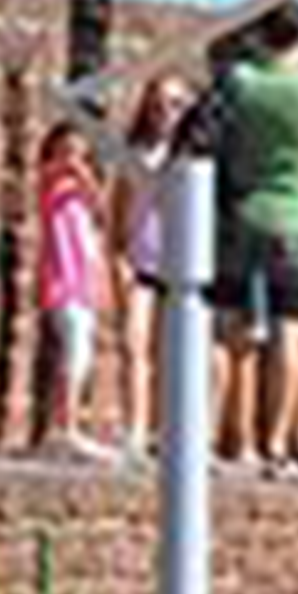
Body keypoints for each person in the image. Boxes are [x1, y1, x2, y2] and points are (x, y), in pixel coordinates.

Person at [216, 0, 298, 472]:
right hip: (295, 221)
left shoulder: (242, 81)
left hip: (244, 213)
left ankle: (227, 435)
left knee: (233, 332)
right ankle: (276, 444)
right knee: (291, 334)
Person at [107, 74, 189, 456]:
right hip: (141, 261)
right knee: (132, 344)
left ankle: (167, 430)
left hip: (180, 267)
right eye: (158, 104)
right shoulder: (135, 154)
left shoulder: (192, 158)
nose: (165, 114)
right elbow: (118, 210)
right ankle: (135, 430)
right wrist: (118, 258)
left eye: (175, 105)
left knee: (172, 353)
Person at [31, 125, 115, 463]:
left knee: (80, 354)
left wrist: (86, 177)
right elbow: (44, 178)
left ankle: (61, 425)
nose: (72, 160)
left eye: (79, 153)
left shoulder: (81, 192)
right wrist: (65, 167)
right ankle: (66, 429)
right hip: (62, 280)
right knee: (74, 352)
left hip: (84, 282)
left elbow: (101, 213)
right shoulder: (52, 186)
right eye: (65, 150)